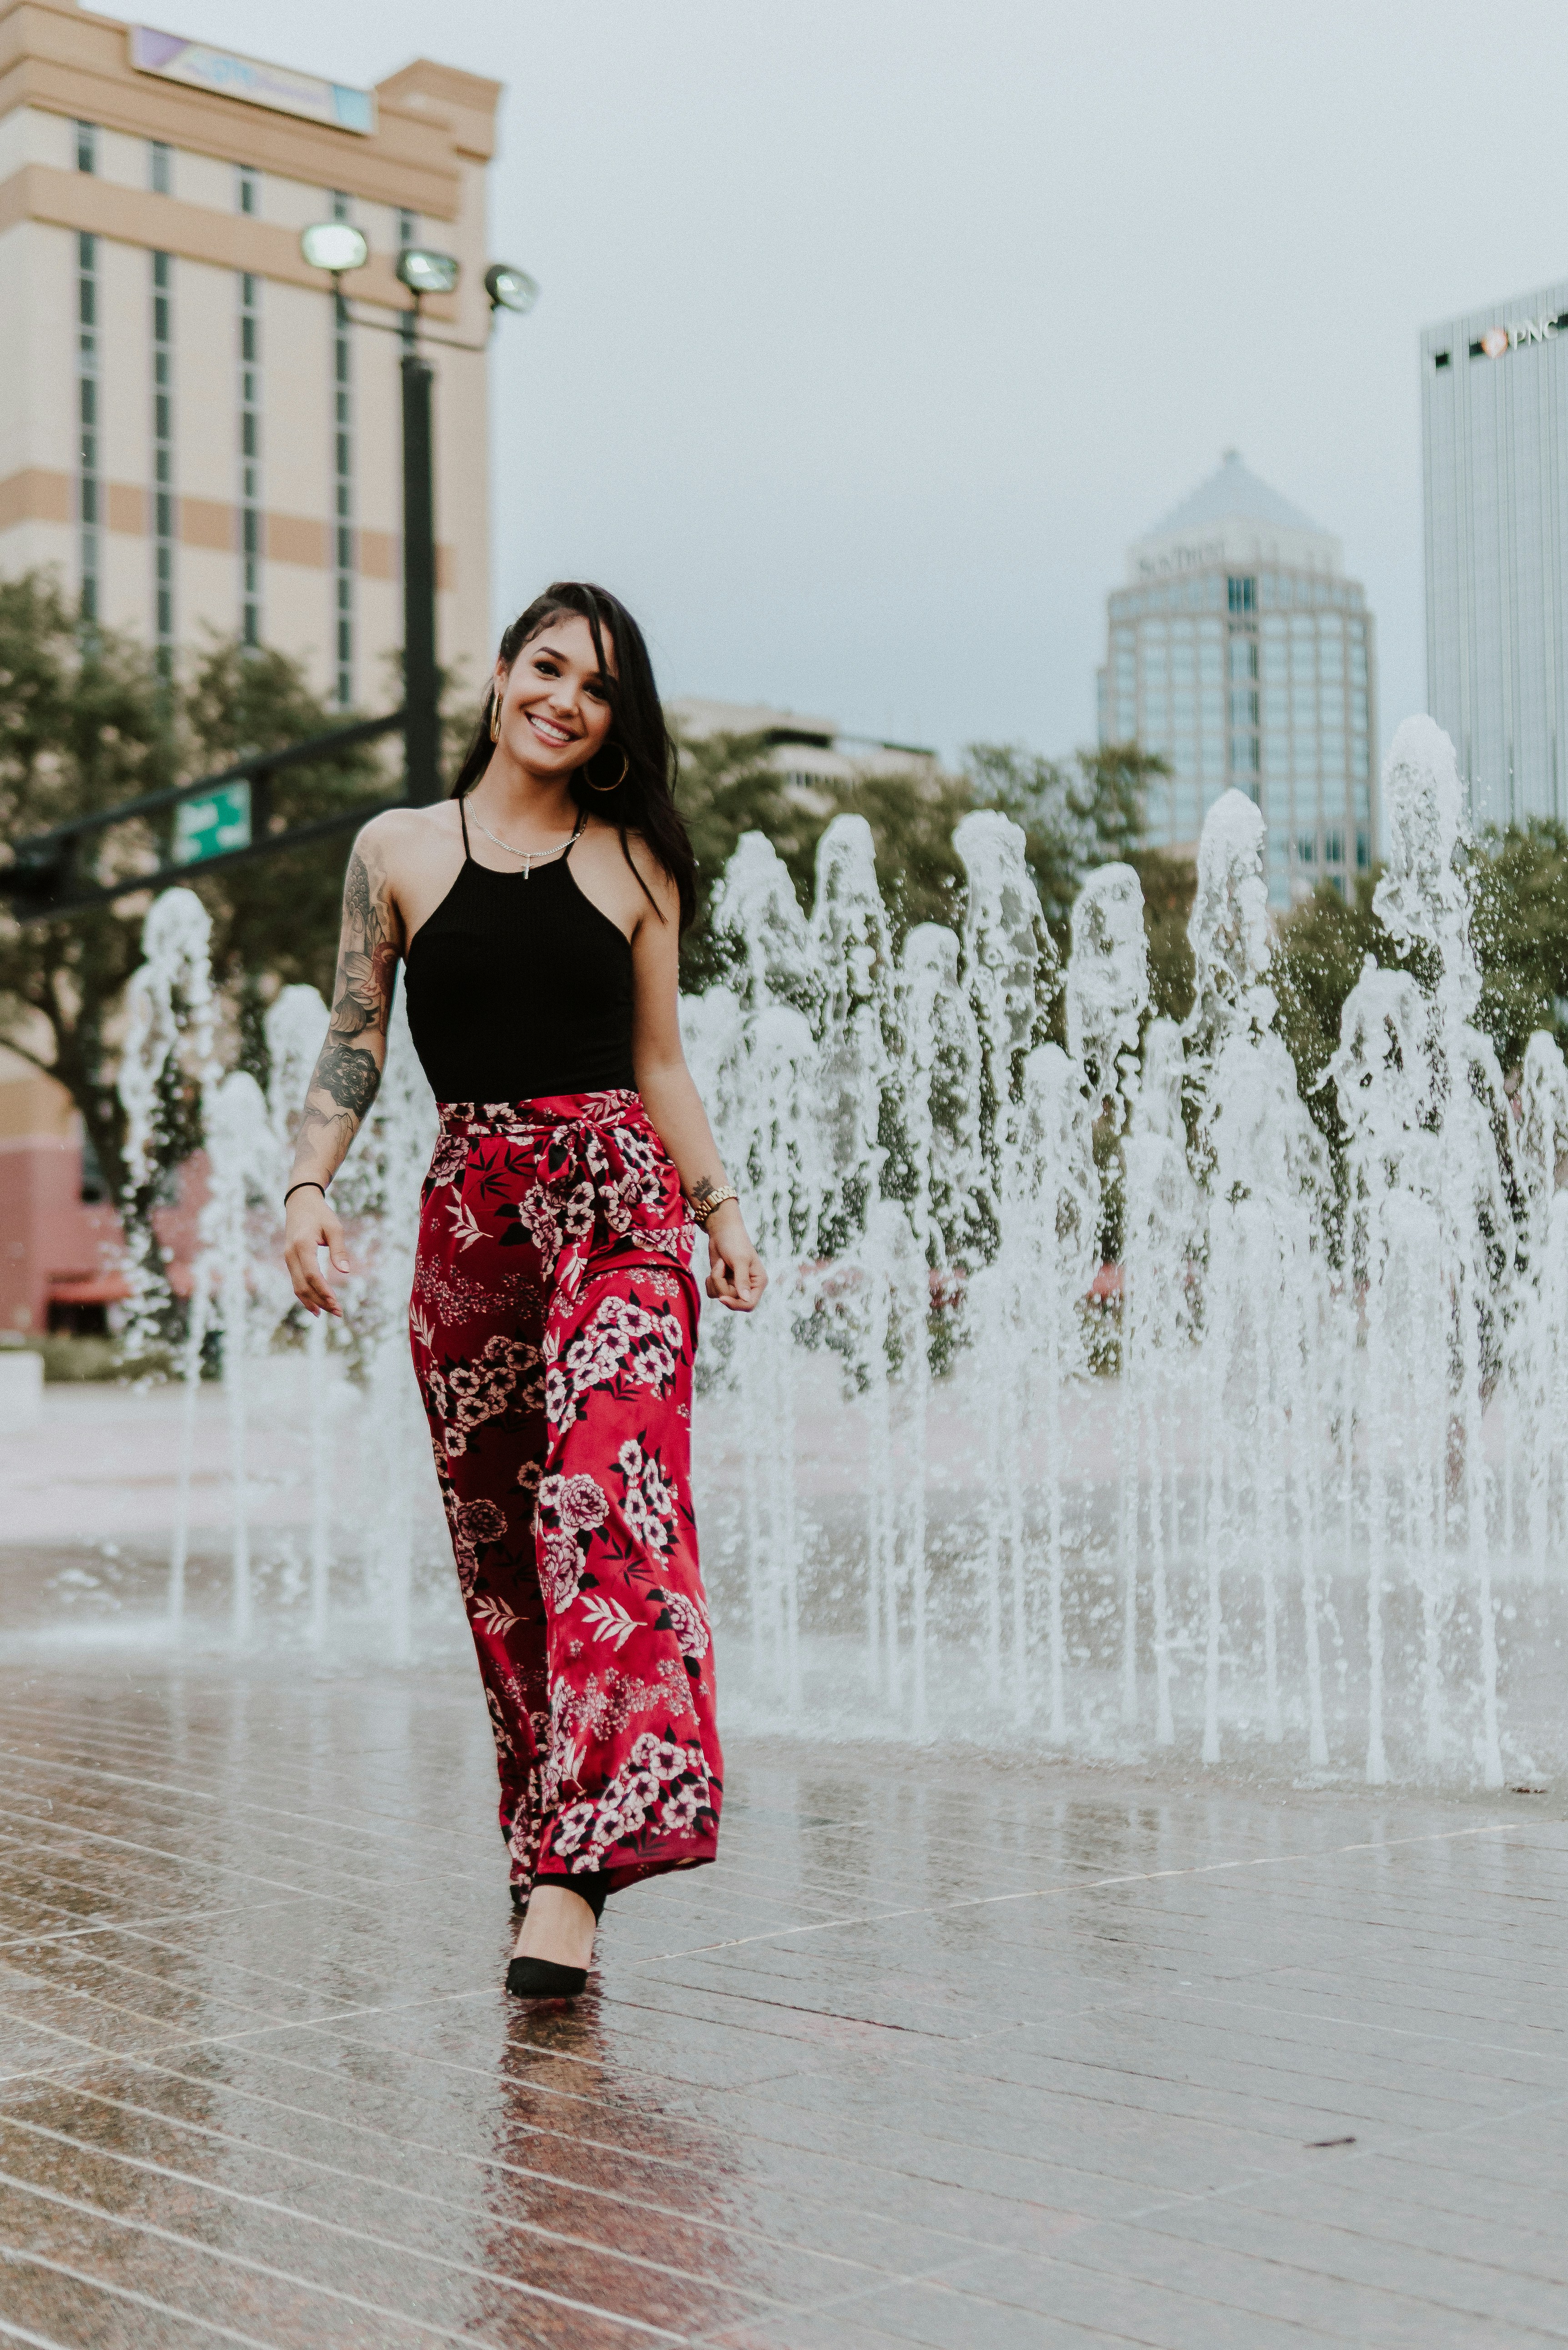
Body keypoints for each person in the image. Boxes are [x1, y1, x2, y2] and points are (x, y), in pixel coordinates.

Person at [282, 582, 766, 1998]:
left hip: (622, 1203)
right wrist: (308, 1188)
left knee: (609, 1501)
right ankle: (546, 1833)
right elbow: (354, 1030)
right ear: (500, 678)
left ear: (618, 724)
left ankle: (579, 1874)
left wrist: (721, 1209)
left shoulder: (637, 861)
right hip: (472, 1220)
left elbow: (662, 1063)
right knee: (504, 1560)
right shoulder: (399, 850)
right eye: (547, 667)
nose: (565, 697)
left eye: (597, 686)